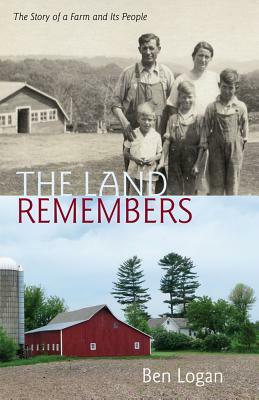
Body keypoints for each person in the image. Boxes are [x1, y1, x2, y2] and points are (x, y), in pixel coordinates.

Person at [112, 33, 174, 159]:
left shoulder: (166, 74)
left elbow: (173, 106)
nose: (148, 52)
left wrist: (169, 131)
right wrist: (125, 124)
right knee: (133, 174)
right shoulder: (128, 73)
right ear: (139, 49)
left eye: (151, 48)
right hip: (134, 134)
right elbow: (115, 103)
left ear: (159, 49)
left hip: (158, 136)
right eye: (144, 48)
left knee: (157, 174)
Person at [194, 68, 249, 195]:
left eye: (231, 88)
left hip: (235, 152)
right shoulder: (212, 108)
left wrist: (238, 150)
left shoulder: (240, 107)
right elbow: (205, 133)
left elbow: (244, 133)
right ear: (219, 85)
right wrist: (204, 151)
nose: (227, 91)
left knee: (233, 185)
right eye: (224, 87)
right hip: (215, 151)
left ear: (237, 87)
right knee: (216, 185)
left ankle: (230, 213)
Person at [158, 81, 202, 195]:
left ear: (195, 97)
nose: (186, 100)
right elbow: (167, 142)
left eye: (189, 97)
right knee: (174, 191)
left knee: (191, 192)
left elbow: (203, 145)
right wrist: (162, 161)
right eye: (183, 97)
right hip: (174, 161)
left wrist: (197, 164)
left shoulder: (199, 119)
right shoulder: (173, 118)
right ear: (179, 98)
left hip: (192, 161)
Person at [167, 41, 219, 115]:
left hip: (210, 124)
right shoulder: (181, 79)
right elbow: (172, 105)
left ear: (210, 59)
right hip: (187, 124)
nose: (203, 60)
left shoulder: (215, 78)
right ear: (193, 56)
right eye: (200, 55)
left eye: (206, 57)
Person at [124, 103, 162, 195]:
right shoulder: (133, 134)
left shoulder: (156, 136)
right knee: (134, 198)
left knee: (148, 198)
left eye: (149, 120)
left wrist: (153, 159)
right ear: (138, 119)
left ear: (154, 120)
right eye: (143, 119)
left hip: (149, 172)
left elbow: (160, 153)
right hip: (134, 172)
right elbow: (125, 152)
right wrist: (135, 159)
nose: (146, 122)